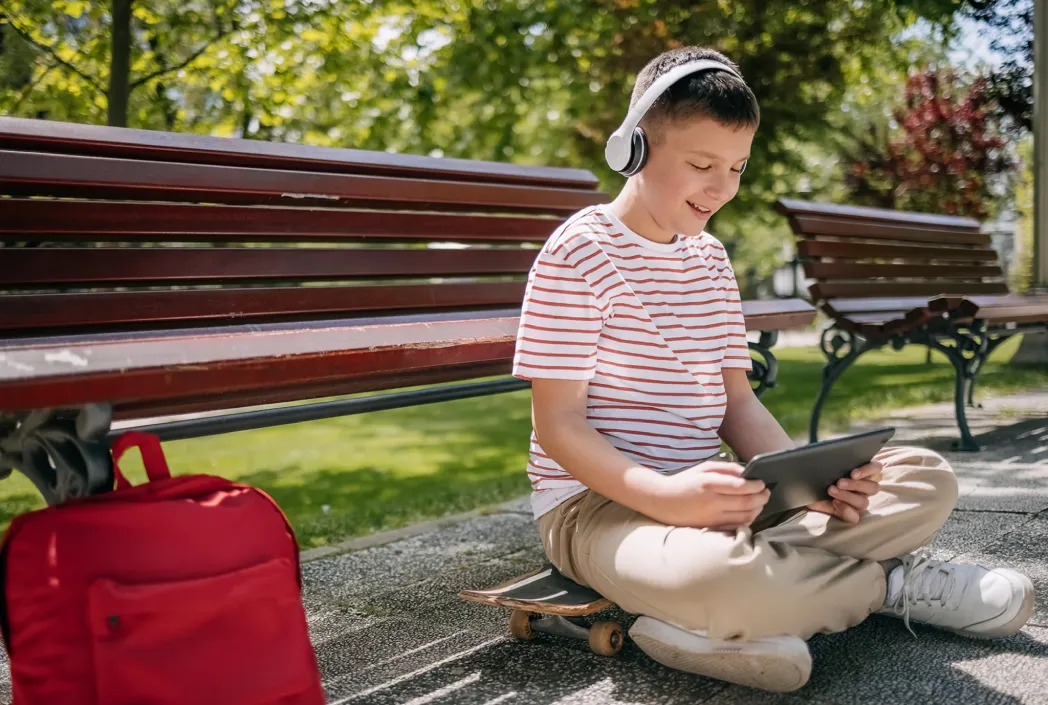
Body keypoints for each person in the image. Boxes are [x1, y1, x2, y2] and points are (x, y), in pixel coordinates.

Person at [510, 45, 1036, 693]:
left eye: (737, 167)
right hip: (598, 509)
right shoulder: (578, 253)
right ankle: (887, 583)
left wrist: (808, 486)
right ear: (635, 149)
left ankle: (732, 618)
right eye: (702, 165)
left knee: (925, 477)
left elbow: (737, 404)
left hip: (720, 499)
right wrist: (666, 496)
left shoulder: (710, 260)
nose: (723, 188)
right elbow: (559, 427)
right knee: (719, 575)